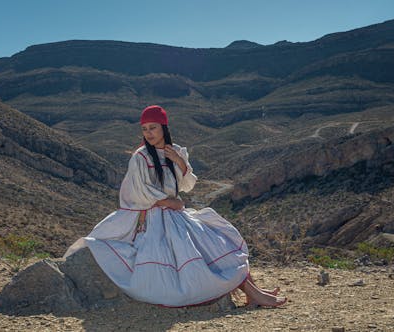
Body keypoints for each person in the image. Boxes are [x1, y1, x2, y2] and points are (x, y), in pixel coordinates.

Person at [64, 105, 287, 308]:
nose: (149, 133)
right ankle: (255, 295)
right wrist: (171, 202)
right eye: (144, 129)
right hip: (153, 215)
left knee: (218, 240)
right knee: (201, 246)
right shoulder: (140, 157)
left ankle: (254, 292)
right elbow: (140, 190)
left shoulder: (176, 152)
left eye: (153, 127)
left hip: (173, 212)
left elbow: (188, 185)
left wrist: (179, 162)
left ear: (164, 127)